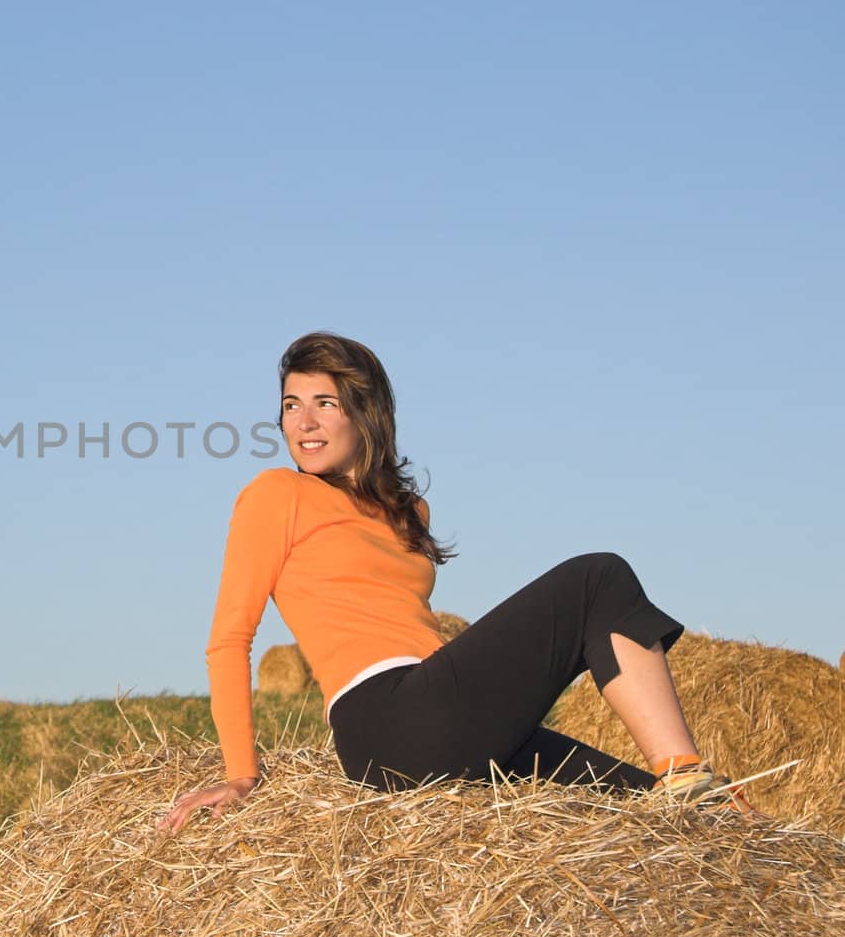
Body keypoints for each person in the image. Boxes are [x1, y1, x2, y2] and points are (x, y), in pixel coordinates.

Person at [158, 331, 753, 834]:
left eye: (325, 404)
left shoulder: (406, 512)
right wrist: (242, 772)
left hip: (442, 716)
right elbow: (229, 639)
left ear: (364, 414)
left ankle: (688, 799)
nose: (304, 422)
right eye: (291, 405)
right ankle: (685, 772)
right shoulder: (276, 495)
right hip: (387, 721)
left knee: (655, 814)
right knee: (599, 578)